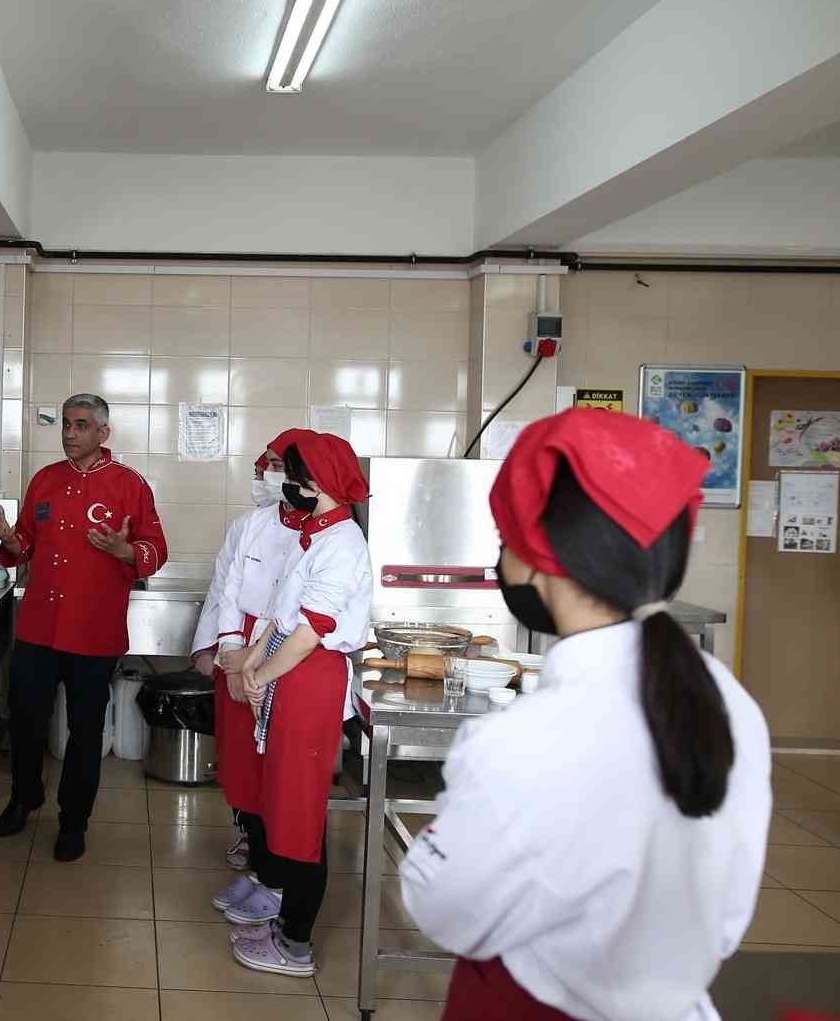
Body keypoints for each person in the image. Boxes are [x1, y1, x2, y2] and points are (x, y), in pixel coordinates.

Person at [399, 409, 772, 1020]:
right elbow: (726, 919)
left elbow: (445, 911)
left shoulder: (524, 739)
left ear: (544, 558)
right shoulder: (728, 703)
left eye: (504, 538)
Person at [0, 393, 168, 862]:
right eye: (66, 424)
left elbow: (155, 550)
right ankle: (24, 798)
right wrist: (12, 541)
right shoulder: (44, 481)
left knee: (85, 729)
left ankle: (74, 821)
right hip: (39, 627)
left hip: (94, 631)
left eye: (82, 425)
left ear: (103, 433)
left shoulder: (129, 486)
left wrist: (124, 551)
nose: (70, 433)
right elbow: (25, 545)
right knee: (24, 717)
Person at [226, 431, 372, 978]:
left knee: (302, 811)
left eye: (298, 478)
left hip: (311, 683)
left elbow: (312, 631)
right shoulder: (317, 536)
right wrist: (251, 665)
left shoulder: (343, 544)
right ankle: (284, 912)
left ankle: (295, 943)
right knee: (283, 804)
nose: (290, 487)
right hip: (291, 679)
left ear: (321, 484)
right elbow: (279, 617)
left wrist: (261, 670)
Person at [189, 430, 313, 872]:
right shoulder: (248, 526)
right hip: (237, 648)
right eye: (268, 466)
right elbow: (224, 589)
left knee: (281, 767)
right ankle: (251, 837)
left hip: (291, 657)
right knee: (242, 760)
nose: (270, 476)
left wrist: (257, 660)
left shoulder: (327, 531)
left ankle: (276, 863)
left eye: (282, 467)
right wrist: (221, 651)